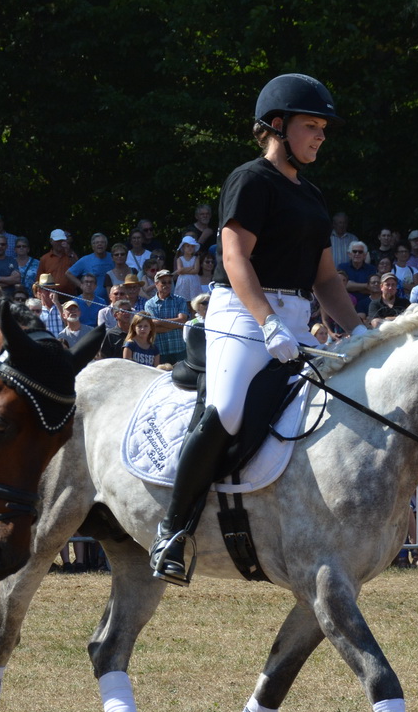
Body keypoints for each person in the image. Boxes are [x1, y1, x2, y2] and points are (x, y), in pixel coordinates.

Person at [150, 73, 362, 585]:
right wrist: (267, 323)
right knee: (225, 411)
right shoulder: (250, 179)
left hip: (295, 322)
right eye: (311, 126)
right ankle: (172, 532)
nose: (320, 137)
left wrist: (361, 332)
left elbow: (327, 279)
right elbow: (233, 256)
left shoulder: (311, 195)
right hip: (240, 317)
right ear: (276, 126)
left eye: (323, 129)